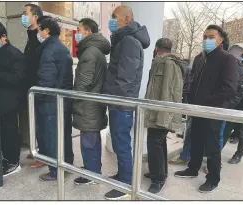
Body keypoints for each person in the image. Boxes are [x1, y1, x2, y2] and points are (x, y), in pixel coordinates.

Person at [174, 25, 239, 193]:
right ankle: (192, 168)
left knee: (212, 146)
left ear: (220, 40)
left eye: (211, 36)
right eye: (204, 37)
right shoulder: (199, 58)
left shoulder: (227, 59)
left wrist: (207, 102)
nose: (206, 40)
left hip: (213, 110)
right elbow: (193, 82)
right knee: (195, 140)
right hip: (197, 110)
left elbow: (230, 88)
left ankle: (213, 178)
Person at [102, 5, 150, 200]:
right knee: (120, 141)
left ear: (127, 19)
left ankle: (125, 185)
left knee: (122, 144)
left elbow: (125, 77)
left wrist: (113, 98)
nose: (111, 20)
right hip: (118, 101)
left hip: (121, 103)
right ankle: (123, 176)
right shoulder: (124, 40)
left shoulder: (129, 41)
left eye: (114, 16)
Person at [143, 38, 185, 194]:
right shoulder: (160, 62)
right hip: (155, 112)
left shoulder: (168, 64)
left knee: (156, 145)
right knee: (157, 143)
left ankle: (158, 178)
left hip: (161, 114)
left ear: (157, 48)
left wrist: (164, 118)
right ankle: (158, 172)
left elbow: (169, 93)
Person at [72, 18, 110, 185]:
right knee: (91, 138)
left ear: (87, 32)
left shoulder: (89, 52)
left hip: (88, 105)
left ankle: (92, 174)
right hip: (93, 104)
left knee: (89, 141)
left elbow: (83, 82)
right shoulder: (96, 51)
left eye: (79, 30)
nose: (77, 33)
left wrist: (74, 96)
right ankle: (92, 168)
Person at [35, 16, 74, 181]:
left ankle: (56, 171)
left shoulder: (49, 50)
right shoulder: (62, 48)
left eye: (40, 29)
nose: (39, 33)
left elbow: (47, 79)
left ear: (46, 31)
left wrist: (38, 95)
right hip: (63, 99)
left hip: (50, 101)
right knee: (64, 135)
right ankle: (67, 165)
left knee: (52, 137)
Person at [0, 20, 25, 176]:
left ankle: (14, 162)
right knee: (1, 132)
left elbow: (18, 78)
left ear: (3, 37)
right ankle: (5, 158)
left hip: (10, 100)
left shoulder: (14, 53)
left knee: (10, 132)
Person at [19, 3, 46, 168]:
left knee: (42, 122)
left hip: (38, 87)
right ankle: (39, 151)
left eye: (25, 13)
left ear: (35, 17)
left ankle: (43, 155)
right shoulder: (31, 37)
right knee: (35, 121)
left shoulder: (39, 37)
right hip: (30, 88)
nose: (23, 17)